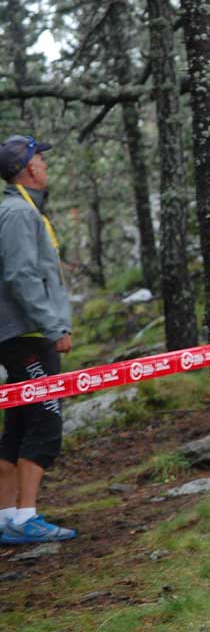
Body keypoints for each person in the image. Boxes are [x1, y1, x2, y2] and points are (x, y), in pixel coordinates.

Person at [0, 135, 76, 544]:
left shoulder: (23, 212)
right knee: (45, 420)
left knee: (20, 420)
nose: (46, 166)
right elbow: (21, 276)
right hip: (26, 336)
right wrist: (52, 326)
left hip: (23, 333)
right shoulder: (17, 214)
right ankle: (26, 518)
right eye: (42, 160)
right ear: (29, 168)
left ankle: (9, 517)